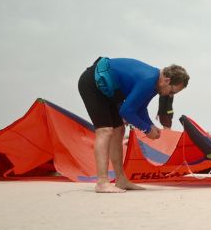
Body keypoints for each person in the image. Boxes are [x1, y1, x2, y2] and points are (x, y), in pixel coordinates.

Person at [77, 58, 189, 193]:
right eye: (172, 92)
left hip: (109, 90)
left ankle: (121, 180)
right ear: (167, 81)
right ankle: (101, 182)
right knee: (105, 130)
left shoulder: (155, 84)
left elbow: (140, 108)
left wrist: (151, 125)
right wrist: (147, 129)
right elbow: (126, 111)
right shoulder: (148, 80)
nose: (170, 95)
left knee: (119, 130)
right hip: (92, 83)